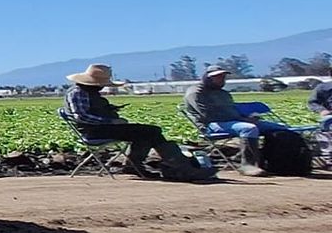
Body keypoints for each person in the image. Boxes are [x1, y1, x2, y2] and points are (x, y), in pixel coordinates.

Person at [60, 65, 208, 181]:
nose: (103, 87)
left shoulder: (88, 92)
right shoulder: (78, 92)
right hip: (94, 130)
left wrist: (110, 110)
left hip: (103, 127)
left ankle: (140, 165)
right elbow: (81, 117)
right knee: (150, 131)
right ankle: (178, 166)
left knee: (147, 132)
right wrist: (112, 121)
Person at [183, 64, 300, 177]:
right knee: (249, 128)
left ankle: (277, 161)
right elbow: (208, 115)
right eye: (217, 77)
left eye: (223, 77)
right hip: (212, 124)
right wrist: (243, 120)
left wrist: (248, 117)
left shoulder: (223, 94)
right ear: (207, 78)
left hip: (235, 121)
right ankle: (248, 165)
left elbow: (232, 110)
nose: (221, 80)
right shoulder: (196, 93)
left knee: (279, 128)